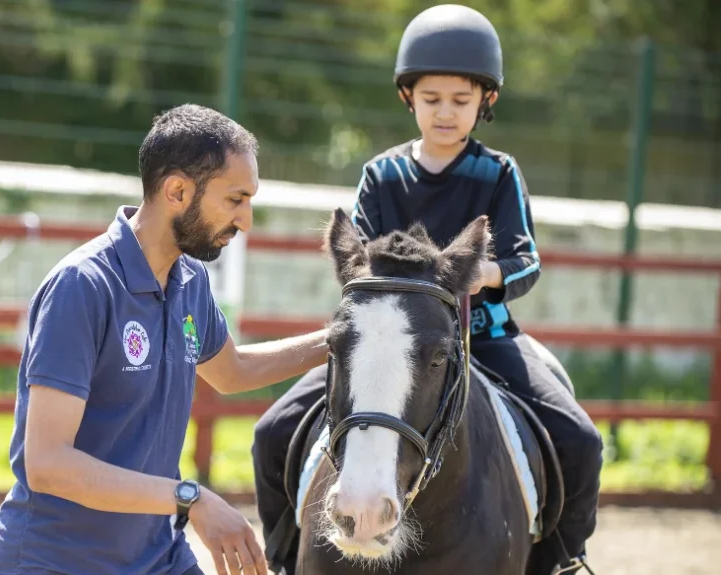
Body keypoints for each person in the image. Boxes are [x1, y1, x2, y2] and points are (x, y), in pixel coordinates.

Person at [250, 5, 603, 575]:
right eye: (431, 99)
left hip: (480, 339)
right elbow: (358, 263)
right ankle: (285, 557)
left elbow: (525, 261)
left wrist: (480, 273)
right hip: (385, 345)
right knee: (272, 432)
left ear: (485, 102)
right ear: (407, 97)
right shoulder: (381, 175)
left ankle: (562, 561)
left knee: (581, 440)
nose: (445, 112)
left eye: (461, 101)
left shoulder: (499, 174)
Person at [0, 103, 330, 575]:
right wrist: (190, 497)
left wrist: (339, 339)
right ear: (178, 191)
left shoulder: (190, 280)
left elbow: (231, 370)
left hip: (156, 558)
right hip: (54, 562)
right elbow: (47, 463)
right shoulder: (82, 286)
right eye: (235, 199)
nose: (246, 221)